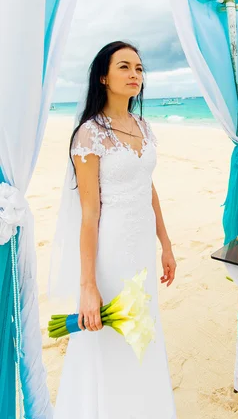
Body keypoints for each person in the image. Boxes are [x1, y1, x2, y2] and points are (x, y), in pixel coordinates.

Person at [52, 41, 177, 419]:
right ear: (103, 77)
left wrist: (166, 245)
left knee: (144, 333)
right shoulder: (88, 135)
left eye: (139, 68)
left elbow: (147, 185)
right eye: (124, 67)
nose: (134, 75)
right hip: (111, 254)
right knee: (110, 339)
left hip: (141, 249)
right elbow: (90, 215)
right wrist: (87, 286)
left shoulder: (143, 126)